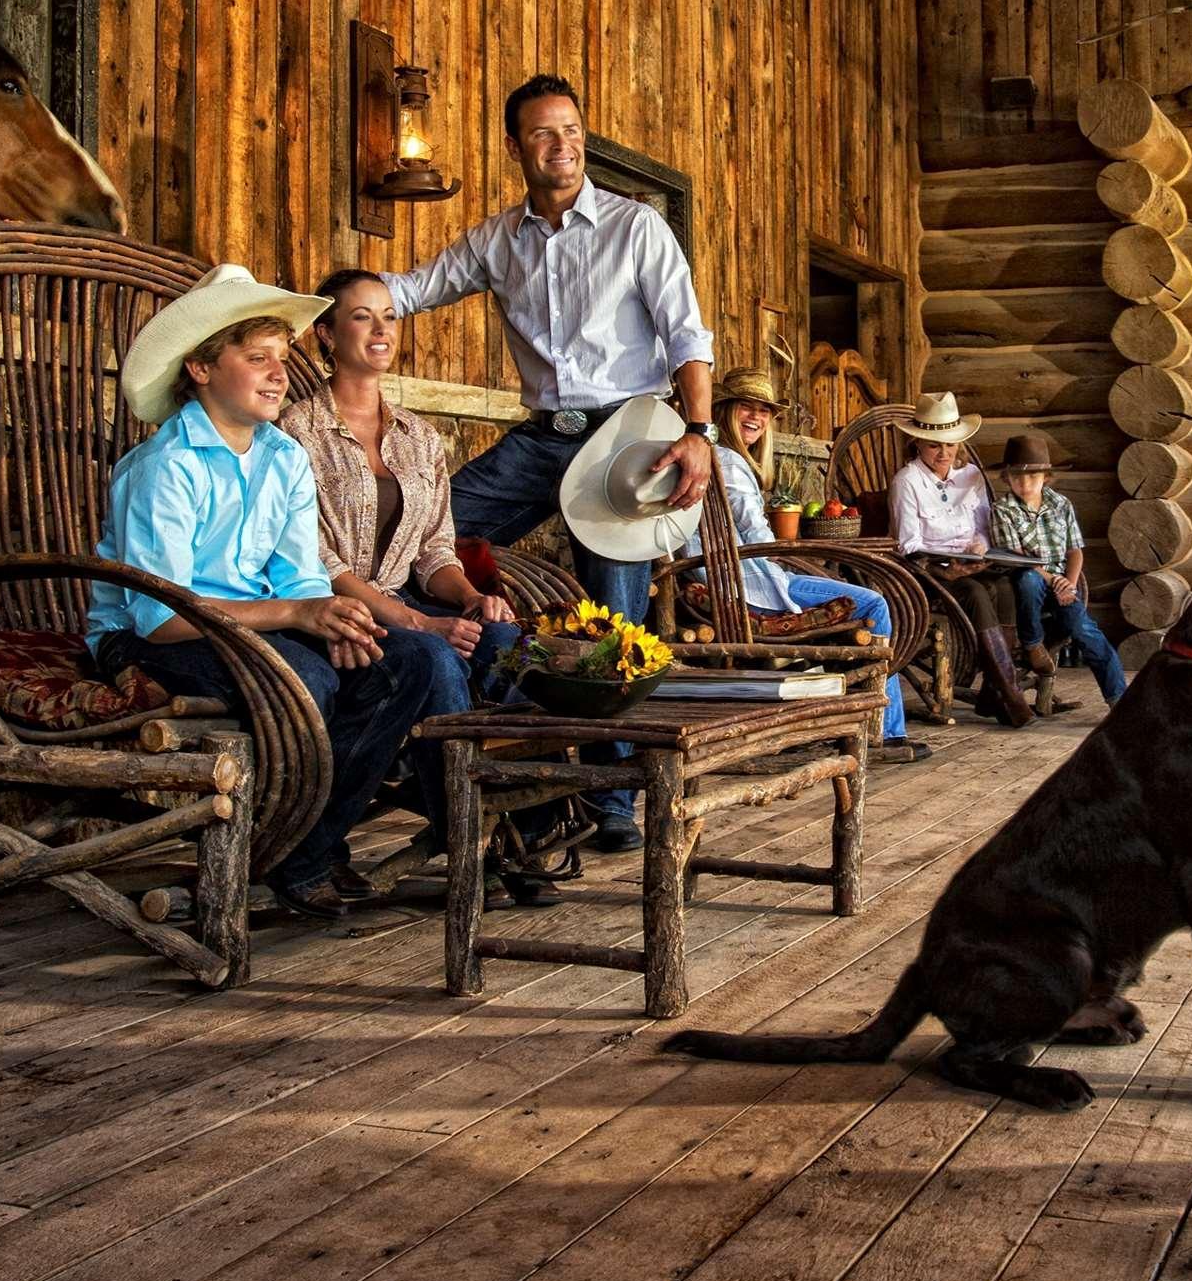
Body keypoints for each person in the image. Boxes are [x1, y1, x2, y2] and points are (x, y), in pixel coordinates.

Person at [384, 74, 717, 853]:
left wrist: (699, 431)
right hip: (542, 440)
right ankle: (482, 721)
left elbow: (687, 338)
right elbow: (413, 289)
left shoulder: (637, 229)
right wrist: (319, 303)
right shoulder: (496, 240)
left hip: (625, 444)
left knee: (616, 615)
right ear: (516, 147)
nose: (562, 145)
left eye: (571, 130)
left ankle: (613, 797)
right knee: (421, 527)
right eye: (543, 133)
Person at [84, 266, 462, 921]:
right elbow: (158, 615)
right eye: (255, 357)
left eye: (283, 359)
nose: (278, 373)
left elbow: (298, 577)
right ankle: (298, 853)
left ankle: (305, 847)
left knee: (412, 663)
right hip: (151, 640)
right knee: (308, 678)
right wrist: (297, 616)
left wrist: (332, 615)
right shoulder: (165, 466)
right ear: (201, 369)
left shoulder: (282, 458)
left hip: (255, 626)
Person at [276, 268, 559, 908]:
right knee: (434, 660)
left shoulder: (419, 436)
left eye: (389, 316)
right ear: (324, 334)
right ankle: (469, 841)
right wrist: (417, 623)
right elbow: (313, 560)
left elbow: (433, 551)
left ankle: (527, 826)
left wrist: (466, 598)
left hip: (406, 600)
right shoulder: (294, 433)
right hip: (331, 608)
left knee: (510, 644)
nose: (381, 330)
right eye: (360, 316)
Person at [696, 366, 927, 764]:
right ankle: (884, 734)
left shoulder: (720, 458)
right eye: (746, 408)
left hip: (741, 575)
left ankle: (845, 720)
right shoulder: (729, 464)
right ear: (724, 411)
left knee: (834, 587)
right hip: (745, 585)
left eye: (764, 411)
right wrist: (789, 548)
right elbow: (755, 534)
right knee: (873, 603)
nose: (756, 418)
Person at [887, 393, 1033, 728]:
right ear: (919, 443)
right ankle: (1010, 695)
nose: (943, 453)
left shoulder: (972, 477)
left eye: (949, 445)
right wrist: (947, 567)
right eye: (934, 445)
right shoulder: (906, 482)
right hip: (927, 572)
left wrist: (980, 549)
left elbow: (983, 529)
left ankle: (995, 691)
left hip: (971, 564)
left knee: (1004, 587)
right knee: (978, 594)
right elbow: (908, 544)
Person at [990, 432, 1129, 708]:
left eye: (1033, 477)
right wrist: (1054, 580)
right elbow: (1018, 558)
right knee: (1029, 580)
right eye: (1016, 476)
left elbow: (1074, 550)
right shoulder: (1002, 509)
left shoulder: (1061, 504)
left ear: (1046, 477)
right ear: (1006, 478)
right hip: (1026, 577)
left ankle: (1119, 699)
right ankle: (1032, 642)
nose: (1025, 483)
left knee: (1087, 632)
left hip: (1062, 582)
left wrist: (1069, 584)